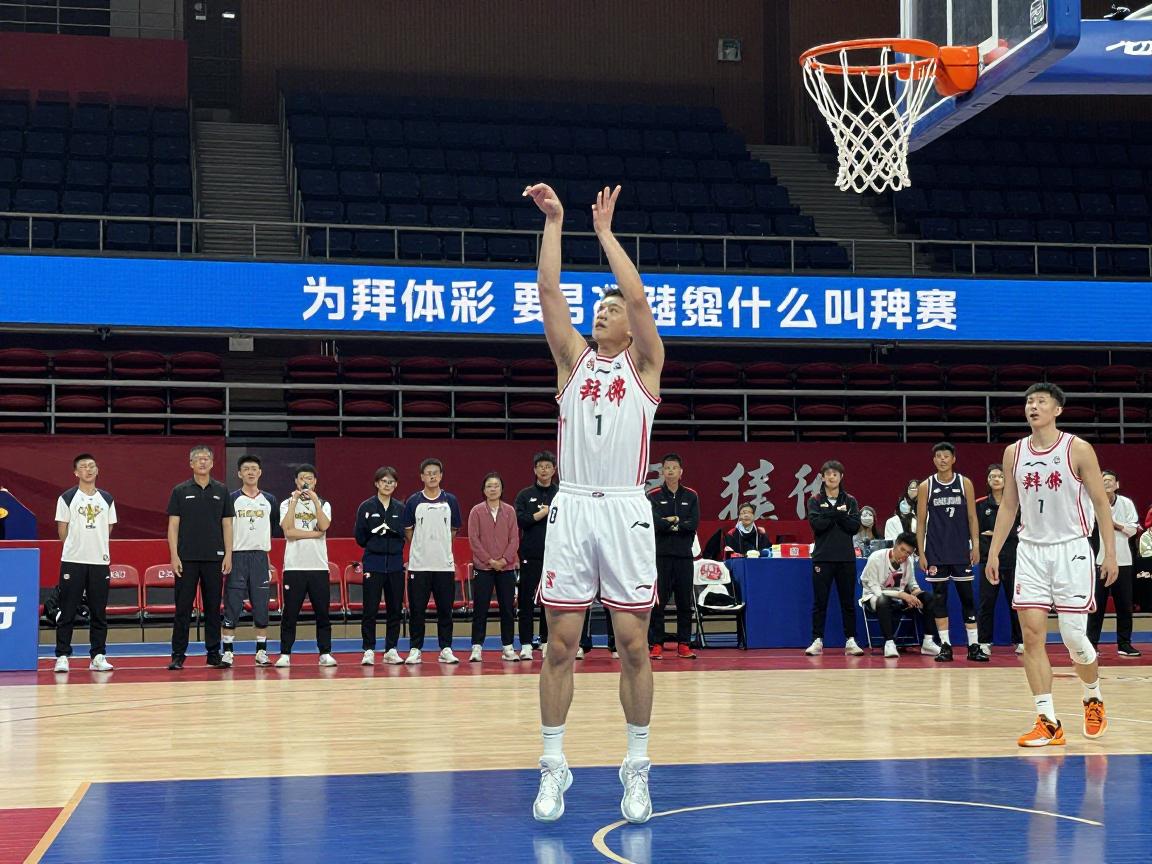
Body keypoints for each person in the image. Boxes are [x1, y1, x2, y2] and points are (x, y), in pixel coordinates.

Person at [524, 182, 661, 825]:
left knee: (633, 643)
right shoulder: (572, 362)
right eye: (599, 309)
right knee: (561, 643)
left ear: (631, 325)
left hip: (626, 510)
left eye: (611, 309)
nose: (602, 313)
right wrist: (554, 222)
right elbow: (549, 292)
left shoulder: (647, 365)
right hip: (574, 507)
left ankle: (637, 766)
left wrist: (605, 234)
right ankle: (554, 765)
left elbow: (638, 296)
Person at [987, 382, 1116, 747]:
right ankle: (1047, 721)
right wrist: (994, 551)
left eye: (1041, 401)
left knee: (1074, 638)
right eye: (1029, 401)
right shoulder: (1014, 452)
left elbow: (1101, 503)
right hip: (1030, 550)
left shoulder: (1078, 449)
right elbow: (1009, 504)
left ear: (1057, 409)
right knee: (1031, 637)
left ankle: (1092, 695)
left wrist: (1108, 552)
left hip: (1071, 549)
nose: (1033, 406)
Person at [167, 445, 234, 670]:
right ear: (191, 464)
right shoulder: (180, 490)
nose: (202, 462)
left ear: (212, 463)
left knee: (213, 608)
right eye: (198, 459)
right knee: (183, 608)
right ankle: (178, 655)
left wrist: (228, 554)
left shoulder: (222, 490)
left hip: (214, 558)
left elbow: (227, 524)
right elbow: (173, 525)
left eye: (206, 458)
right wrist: (174, 555)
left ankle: (213, 654)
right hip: (186, 558)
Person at [916, 443, 983, 663]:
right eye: (939, 456)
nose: (943, 459)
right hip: (936, 551)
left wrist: (975, 545)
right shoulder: (926, 485)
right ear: (934, 460)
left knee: (967, 598)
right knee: (939, 599)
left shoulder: (965, 483)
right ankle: (945, 646)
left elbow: (972, 517)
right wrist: (922, 553)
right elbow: (921, 523)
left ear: (953, 459)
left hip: (960, 550)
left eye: (946, 456)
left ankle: (974, 646)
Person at [53, 454, 117, 673]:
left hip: (99, 561)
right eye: (83, 467)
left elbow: (108, 528)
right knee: (67, 610)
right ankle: (62, 656)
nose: (88, 470)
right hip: (73, 561)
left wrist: (95, 546)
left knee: (99, 611)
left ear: (97, 470)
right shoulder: (67, 498)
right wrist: (75, 548)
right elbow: (62, 529)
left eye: (91, 466)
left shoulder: (107, 499)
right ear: (76, 472)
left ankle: (98, 656)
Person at [402, 458, 463, 665]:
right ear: (422, 476)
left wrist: (441, 546)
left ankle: (445, 648)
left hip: (444, 566)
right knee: (417, 610)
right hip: (419, 566)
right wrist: (422, 547)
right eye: (428, 473)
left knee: (445, 610)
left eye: (435, 472)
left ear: (441, 475)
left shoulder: (450, 501)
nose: (432, 476)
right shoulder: (413, 501)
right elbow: (408, 531)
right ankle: (415, 649)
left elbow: (453, 530)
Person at [275, 464, 337, 668]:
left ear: (315, 481)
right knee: (290, 613)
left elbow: (324, 525)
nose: (306, 482)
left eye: (309, 478)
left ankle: (325, 652)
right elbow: (288, 531)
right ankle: (285, 653)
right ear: (296, 481)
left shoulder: (324, 503)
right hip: (294, 567)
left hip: (318, 566)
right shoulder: (286, 503)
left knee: (322, 613)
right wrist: (314, 533)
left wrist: (315, 502)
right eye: (302, 478)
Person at [222, 454, 278, 668]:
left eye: (254, 468)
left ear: (260, 472)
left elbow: (269, 531)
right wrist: (228, 555)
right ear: (239, 473)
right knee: (232, 604)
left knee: (261, 605)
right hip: (237, 556)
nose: (251, 472)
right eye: (246, 469)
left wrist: (267, 559)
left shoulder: (270, 500)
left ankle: (261, 651)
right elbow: (226, 528)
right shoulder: (232, 499)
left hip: (260, 558)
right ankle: (228, 652)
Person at [805, 460, 865, 657]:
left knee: (848, 602)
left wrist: (830, 515)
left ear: (841, 477)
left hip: (846, 558)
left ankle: (851, 640)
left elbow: (853, 526)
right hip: (822, 558)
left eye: (835, 474)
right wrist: (839, 514)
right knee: (820, 602)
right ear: (822, 477)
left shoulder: (850, 500)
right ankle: (817, 640)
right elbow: (817, 525)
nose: (831, 477)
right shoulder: (814, 500)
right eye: (828, 474)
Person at [647, 453, 700, 660]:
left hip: (684, 556)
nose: (670, 471)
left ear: (681, 472)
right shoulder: (653, 495)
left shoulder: (691, 496)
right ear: (662, 472)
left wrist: (670, 522)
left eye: (674, 468)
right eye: (667, 468)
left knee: (684, 602)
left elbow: (692, 524)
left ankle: (684, 644)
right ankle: (656, 643)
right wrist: (675, 523)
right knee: (658, 602)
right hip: (661, 557)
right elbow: (654, 523)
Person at [353, 466, 407, 665]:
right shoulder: (366, 507)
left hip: (395, 565)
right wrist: (375, 539)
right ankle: (368, 649)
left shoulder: (401, 508)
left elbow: (405, 535)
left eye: (391, 482)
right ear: (377, 483)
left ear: (396, 485)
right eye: (384, 481)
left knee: (395, 609)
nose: (387, 485)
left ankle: (391, 649)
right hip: (373, 564)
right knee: (370, 609)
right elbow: (360, 537)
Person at [1087, 469, 1141, 657]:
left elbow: (1133, 530)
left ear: (1117, 484)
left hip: (1123, 561)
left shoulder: (1126, 503)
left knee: (1124, 605)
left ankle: (1124, 644)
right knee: (1097, 606)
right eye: (1103, 480)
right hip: (1099, 561)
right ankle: (1091, 644)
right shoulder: (1092, 503)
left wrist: (1112, 523)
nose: (1107, 483)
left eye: (1110, 480)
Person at [859, 532, 939, 658]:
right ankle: (889, 643)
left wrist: (916, 595)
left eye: (908, 553)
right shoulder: (876, 558)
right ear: (895, 545)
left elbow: (912, 584)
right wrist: (902, 595)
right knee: (883, 600)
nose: (904, 555)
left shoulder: (909, 561)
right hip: (873, 596)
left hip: (899, 597)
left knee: (928, 598)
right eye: (902, 550)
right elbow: (876, 590)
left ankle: (928, 642)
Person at [468, 472, 520, 662]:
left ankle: (508, 647)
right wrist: (490, 561)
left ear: (502, 489)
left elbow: (514, 539)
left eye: (496, 485)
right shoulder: (476, 511)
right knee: (480, 609)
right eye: (489, 486)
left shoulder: (510, 511)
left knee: (507, 609)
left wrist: (504, 560)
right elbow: (474, 540)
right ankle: (477, 647)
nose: (493, 489)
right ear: (484, 490)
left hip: (506, 568)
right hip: (483, 568)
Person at [514, 451, 559, 660]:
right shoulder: (525, 495)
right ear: (534, 469)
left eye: (548, 466)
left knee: (550, 601)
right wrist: (540, 514)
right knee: (526, 600)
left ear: (554, 470)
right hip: (530, 555)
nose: (544, 470)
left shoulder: (561, 494)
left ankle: (546, 640)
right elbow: (521, 521)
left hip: (556, 557)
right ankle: (525, 643)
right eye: (540, 466)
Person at [977, 464, 1023, 658]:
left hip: (1013, 559)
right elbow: (976, 533)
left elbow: (1022, 530)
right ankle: (984, 641)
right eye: (992, 476)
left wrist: (997, 533)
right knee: (986, 603)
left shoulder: (1018, 504)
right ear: (988, 481)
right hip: (988, 561)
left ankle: (1020, 641)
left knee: (1016, 602)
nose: (996, 479)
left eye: (1000, 476)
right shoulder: (980, 505)